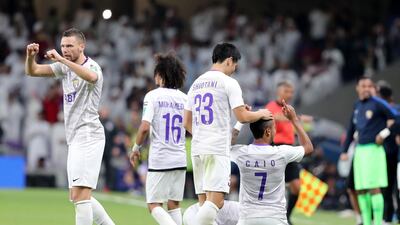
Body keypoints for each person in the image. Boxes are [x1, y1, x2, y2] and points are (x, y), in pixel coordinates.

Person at [25, 28, 115, 225]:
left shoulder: (93, 66)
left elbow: (91, 77)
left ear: (82, 46)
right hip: (75, 138)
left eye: (69, 46)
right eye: (63, 46)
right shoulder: (65, 68)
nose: (64, 49)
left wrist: (60, 60)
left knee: (81, 195)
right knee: (77, 195)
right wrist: (30, 57)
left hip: (89, 135)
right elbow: (33, 71)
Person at [183, 43, 272, 225]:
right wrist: (261, 113)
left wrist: (202, 133)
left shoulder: (196, 83)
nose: (234, 70)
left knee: (204, 204)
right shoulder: (228, 82)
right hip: (216, 148)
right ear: (229, 60)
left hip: (198, 148)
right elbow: (243, 115)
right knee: (216, 202)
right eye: (235, 65)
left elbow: (186, 122)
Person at [231, 101, 314, 225]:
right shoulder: (281, 153)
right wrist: (294, 120)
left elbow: (226, 145)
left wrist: (241, 121)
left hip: (247, 219)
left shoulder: (242, 153)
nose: (276, 130)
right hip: (275, 219)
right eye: (274, 127)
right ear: (267, 132)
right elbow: (308, 147)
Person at [129, 53, 187, 225]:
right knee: (174, 204)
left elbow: (145, 127)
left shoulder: (153, 96)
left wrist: (135, 148)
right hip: (180, 157)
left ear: (160, 75)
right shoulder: (185, 99)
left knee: (153, 204)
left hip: (161, 158)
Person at [340, 76, 397, 225]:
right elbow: (351, 128)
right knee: (360, 189)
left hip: (374, 150)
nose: (366, 89)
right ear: (357, 88)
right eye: (363, 86)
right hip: (360, 151)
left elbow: (396, 118)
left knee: (374, 188)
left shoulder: (378, 103)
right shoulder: (357, 105)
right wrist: (345, 151)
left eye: (369, 86)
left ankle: (377, 222)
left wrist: (383, 134)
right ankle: (366, 222)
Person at [265, 81, 310, 225]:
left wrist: (297, 119)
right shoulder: (271, 107)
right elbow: (276, 117)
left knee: (296, 187)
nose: (290, 94)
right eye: (287, 91)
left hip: (289, 149)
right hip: (275, 147)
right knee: (273, 186)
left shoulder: (290, 109)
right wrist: (296, 118)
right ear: (279, 92)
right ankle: (270, 216)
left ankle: (287, 216)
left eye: (291, 92)